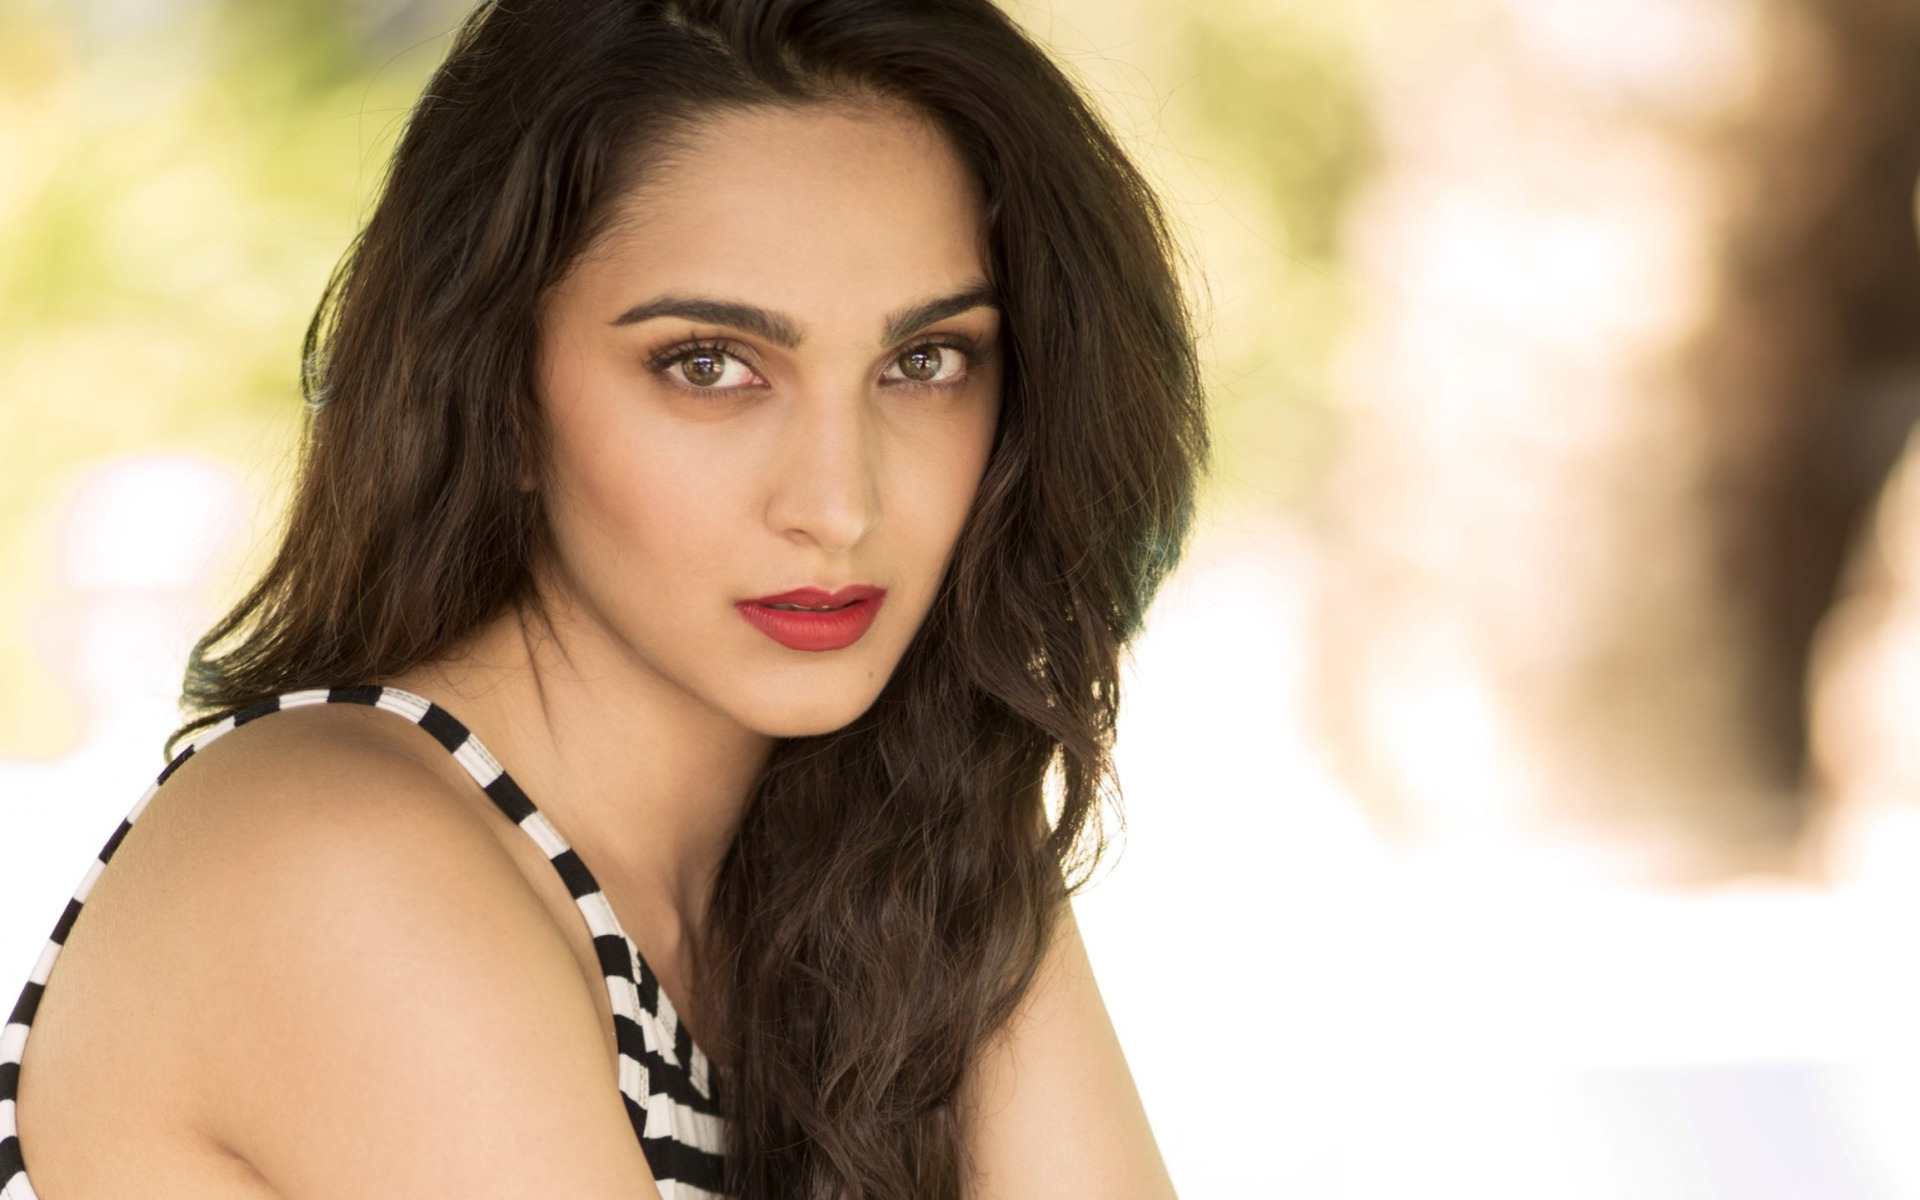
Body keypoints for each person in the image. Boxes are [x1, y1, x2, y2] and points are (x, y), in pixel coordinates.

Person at [0, 0, 1208, 1196]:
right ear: (496, 392)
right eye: (709, 366)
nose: (840, 505)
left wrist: (975, 777)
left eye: (923, 362)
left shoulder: (867, 855)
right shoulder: (335, 857)